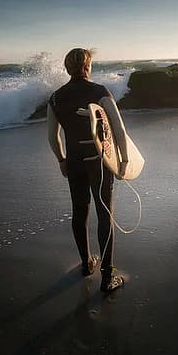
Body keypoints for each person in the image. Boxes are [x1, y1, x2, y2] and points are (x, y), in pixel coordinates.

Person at [46, 48, 125, 292]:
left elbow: (53, 136)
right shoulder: (100, 91)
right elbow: (119, 129)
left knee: (79, 212)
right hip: (98, 162)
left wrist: (61, 160)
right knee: (104, 215)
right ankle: (108, 275)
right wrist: (123, 161)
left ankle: (86, 264)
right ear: (87, 66)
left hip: (75, 162)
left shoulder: (56, 98)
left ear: (67, 69)